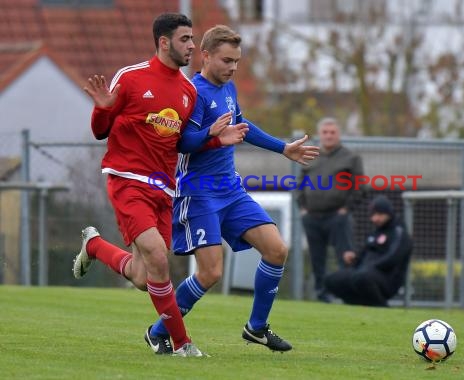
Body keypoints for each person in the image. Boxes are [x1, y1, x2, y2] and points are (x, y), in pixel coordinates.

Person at [72, 13, 247, 358]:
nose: (192, 46)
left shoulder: (186, 90)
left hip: (164, 188)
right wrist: (102, 110)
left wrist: (213, 138)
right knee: (158, 259)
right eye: (185, 40)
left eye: (192, 39)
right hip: (128, 180)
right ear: (164, 42)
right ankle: (181, 343)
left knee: (142, 275)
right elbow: (100, 130)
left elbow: (180, 143)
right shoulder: (133, 77)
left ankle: (94, 246)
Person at [144, 24, 320, 354]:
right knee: (210, 272)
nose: (233, 67)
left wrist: (283, 148)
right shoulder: (192, 93)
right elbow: (181, 143)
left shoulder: (229, 88)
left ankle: (256, 328)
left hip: (231, 190)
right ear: (206, 56)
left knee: (276, 249)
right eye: (227, 60)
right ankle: (158, 331)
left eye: (237, 61)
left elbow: (242, 124)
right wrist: (212, 136)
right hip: (198, 193)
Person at [295, 117, 364, 303]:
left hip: (338, 216)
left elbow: (360, 187)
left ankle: (348, 295)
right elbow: (299, 185)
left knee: (345, 257)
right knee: (318, 260)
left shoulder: (351, 158)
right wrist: (303, 208)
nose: (328, 136)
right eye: (325, 132)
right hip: (312, 217)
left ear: (339, 134)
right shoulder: (311, 156)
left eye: (332, 132)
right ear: (320, 135)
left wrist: (346, 209)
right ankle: (322, 295)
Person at [324, 195, 413, 307]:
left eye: (379, 214)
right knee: (332, 279)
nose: (375, 219)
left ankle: (381, 307)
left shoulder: (399, 232)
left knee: (361, 277)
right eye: (373, 215)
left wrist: (370, 267)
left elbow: (393, 258)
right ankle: (354, 305)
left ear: (389, 213)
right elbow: (363, 255)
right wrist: (354, 258)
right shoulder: (375, 233)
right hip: (364, 273)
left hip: (386, 278)